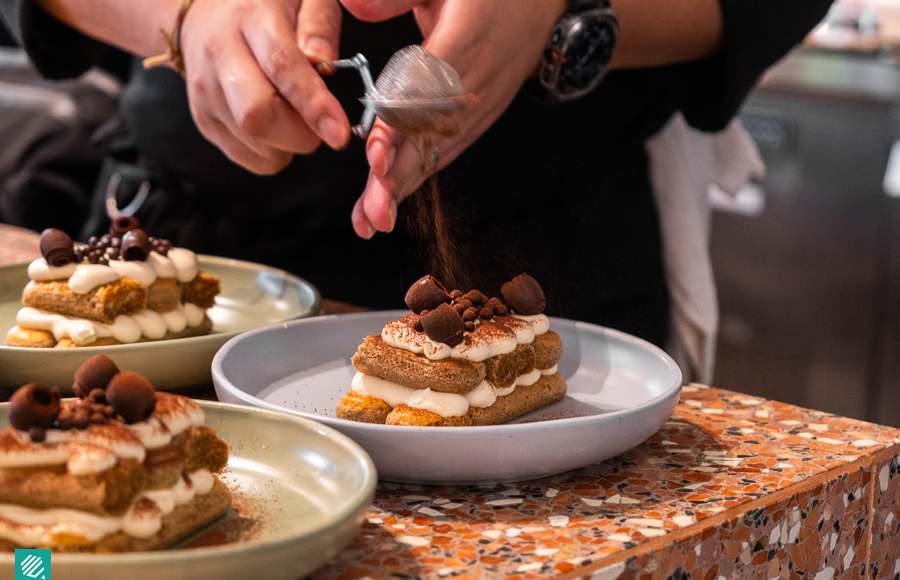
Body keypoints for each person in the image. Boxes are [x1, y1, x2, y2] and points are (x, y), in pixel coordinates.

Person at [0, 0, 832, 352]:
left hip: (553, 280)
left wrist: (561, 8)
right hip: (180, 273)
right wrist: (182, 14)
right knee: (44, 571)